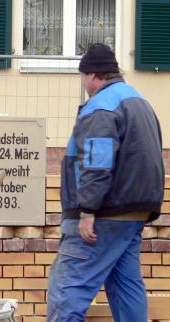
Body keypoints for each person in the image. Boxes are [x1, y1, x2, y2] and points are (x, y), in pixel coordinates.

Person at [47, 43, 164, 321]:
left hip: (103, 215)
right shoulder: (139, 101)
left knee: (67, 289)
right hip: (134, 213)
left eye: (82, 77)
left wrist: (87, 210)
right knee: (126, 288)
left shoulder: (101, 106)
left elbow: (96, 161)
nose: (84, 84)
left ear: (91, 75)